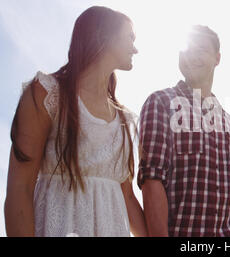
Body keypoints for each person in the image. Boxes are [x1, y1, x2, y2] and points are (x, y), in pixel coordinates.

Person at [4, 6, 147, 237]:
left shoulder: (124, 120)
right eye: (130, 37)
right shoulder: (47, 94)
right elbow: (20, 189)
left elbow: (128, 197)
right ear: (104, 36)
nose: (136, 48)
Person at [138, 25, 230, 237]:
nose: (191, 56)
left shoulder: (226, 119)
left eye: (201, 50)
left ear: (217, 58)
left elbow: (227, 191)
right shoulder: (160, 102)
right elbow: (152, 180)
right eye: (186, 50)